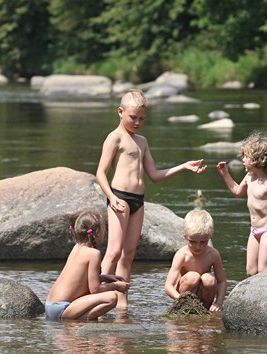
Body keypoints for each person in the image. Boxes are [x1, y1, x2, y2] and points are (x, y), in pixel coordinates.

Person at [96, 89, 208, 310]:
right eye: (133, 117)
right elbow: (100, 173)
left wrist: (183, 166)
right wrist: (111, 197)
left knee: (128, 254)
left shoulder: (142, 141)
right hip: (120, 197)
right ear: (120, 112)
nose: (137, 122)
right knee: (113, 251)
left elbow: (155, 175)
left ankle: (121, 302)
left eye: (142, 118)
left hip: (138, 199)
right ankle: (99, 296)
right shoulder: (115, 138)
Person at [216, 131, 267, 277]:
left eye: (246, 157)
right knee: (250, 271)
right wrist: (226, 174)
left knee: (263, 269)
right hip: (254, 230)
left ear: (259, 160)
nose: (243, 160)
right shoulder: (249, 177)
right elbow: (237, 192)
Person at [45, 210, 130, 321]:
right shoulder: (94, 253)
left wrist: (105, 278)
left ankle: (79, 318)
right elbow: (95, 289)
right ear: (97, 233)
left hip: (50, 306)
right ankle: (83, 319)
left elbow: (80, 279)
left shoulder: (77, 247)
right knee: (112, 297)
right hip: (63, 308)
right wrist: (116, 286)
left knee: (106, 295)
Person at [164, 209, 227, 311]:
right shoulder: (182, 255)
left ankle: (206, 309)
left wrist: (219, 303)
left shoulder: (213, 254)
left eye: (203, 242)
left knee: (209, 279)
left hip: (204, 295)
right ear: (185, 236)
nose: (198, 247)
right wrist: (180, 299)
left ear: (210, 237)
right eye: (193, 241)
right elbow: (168, 286)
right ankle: (186, 307)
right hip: (184, 297)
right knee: (193, 277)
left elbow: (222, 281)